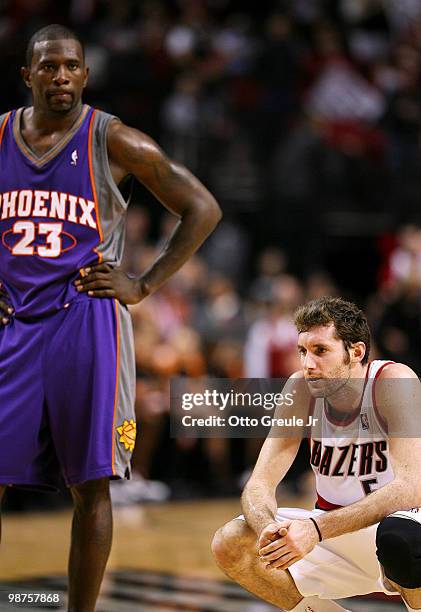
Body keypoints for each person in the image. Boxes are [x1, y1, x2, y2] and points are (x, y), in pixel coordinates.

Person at [0, 24, 221, 612]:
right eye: (48, 66)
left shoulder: (113, 140)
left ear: (86, 75)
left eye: (71, 65)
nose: (61, 76)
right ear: (28, 75)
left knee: (90, 485)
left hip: (85, 322)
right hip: (13, 324)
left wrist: (144, 284)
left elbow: (202, 207)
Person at [212, 297, 421, 612]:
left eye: (320, 351)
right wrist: (266, 526)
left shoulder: (393, 381)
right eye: (302, 351)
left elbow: (410, 489)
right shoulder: (300, 389)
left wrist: (317, 529)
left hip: (397, 526)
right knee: (230, 541)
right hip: (334, 531)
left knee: (402, 540)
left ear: (356, 352)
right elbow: (259, 485)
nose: (307, 364)